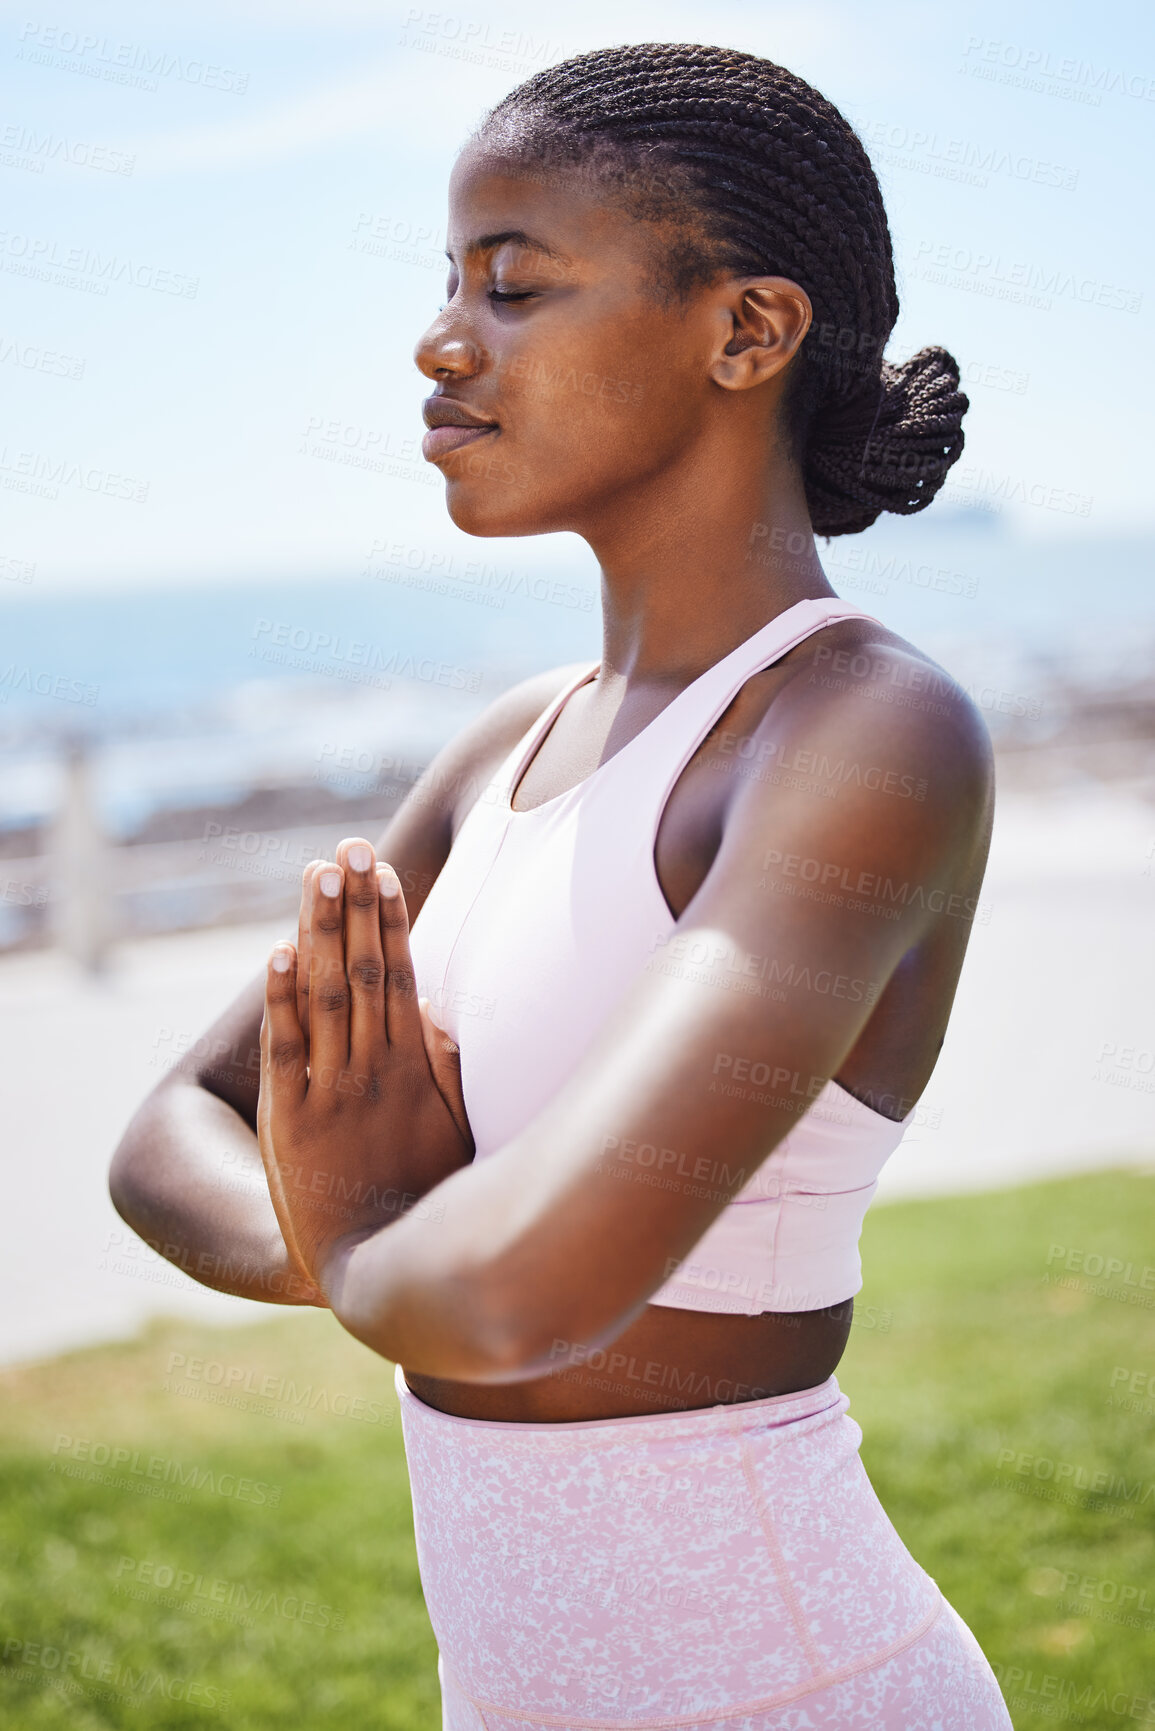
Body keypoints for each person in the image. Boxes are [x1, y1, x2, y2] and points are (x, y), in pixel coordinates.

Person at [111, 42, 1013, 1729]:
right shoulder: (510, 747)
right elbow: (168, 1141)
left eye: (512, 287)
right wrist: (370, 1234)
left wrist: (370, 1216)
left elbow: (516, 1298)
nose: (441, 340)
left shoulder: (864, 737)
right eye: (449, 283)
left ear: (748, 332)